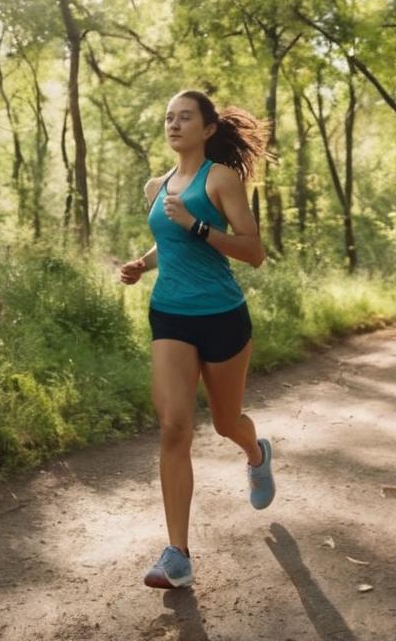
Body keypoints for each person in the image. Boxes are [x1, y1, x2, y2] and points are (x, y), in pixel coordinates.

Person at [118, 89, 275, 590]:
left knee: (227, 422)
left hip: (223, 316)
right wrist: (143, 264)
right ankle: (177, 555)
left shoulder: (222, 179)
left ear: (207, 129)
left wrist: (199, 225)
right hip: (171, 316)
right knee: (173, 428)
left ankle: (257, 454)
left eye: (185, 117)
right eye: (168, 117)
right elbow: (170, 241)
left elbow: (254, 252)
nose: (173, 124)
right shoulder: (155, 186)